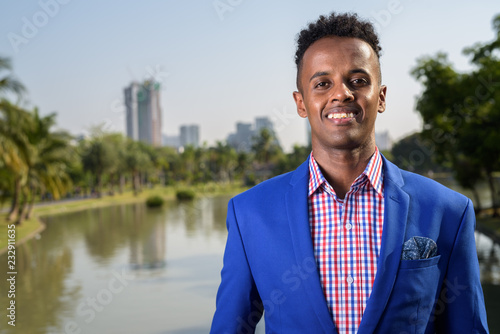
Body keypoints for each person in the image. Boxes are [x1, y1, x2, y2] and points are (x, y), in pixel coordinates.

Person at [210, 12, 489, 334]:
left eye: (358, 81)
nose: (341, 93)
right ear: (301, 103)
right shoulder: (250, 214)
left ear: (380, 97)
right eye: (322, 83)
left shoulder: (448, 211)